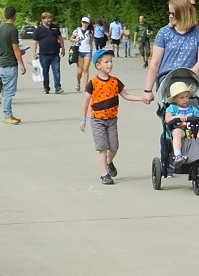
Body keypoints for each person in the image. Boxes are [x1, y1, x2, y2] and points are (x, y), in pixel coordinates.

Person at [80, 49, 145, 184]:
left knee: (114, 147)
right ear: (98, 65)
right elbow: (86, 102)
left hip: (112, 120)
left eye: (111, 62)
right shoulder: (92, 83)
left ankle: (109, 162)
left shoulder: (115, 81)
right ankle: (104, 174)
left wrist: (142, 98)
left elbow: (126, 95)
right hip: (97, 120)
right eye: (106, 62)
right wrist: (82, 120)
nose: (110, 64)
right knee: (102, 147)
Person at [141, 0, 199, 101]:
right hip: (167, 82)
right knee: (171, 115)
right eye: (169, 12)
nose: (170, 16)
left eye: (172, 13)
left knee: (194, 114)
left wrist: (193, 71)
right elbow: (155, 63)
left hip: (189, 83)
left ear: (182, 13)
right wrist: (148, 90)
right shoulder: (164, 32)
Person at [0, 6, 27, 125]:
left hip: (2, 62)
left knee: (6, 90)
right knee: (9, 91)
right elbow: (15, 48)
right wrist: (22, 64)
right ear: (14, 15)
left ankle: (8, 113)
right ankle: (7, 115)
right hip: (10, 63)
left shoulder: (1, 28)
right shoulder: (12, 29)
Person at [33, 12, 66, 94]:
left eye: (50, 18)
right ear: (42, 19)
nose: (49, 20)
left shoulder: (55, 28)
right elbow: (35, 42)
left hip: (55, 53)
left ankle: (58, 87)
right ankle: (46, 87)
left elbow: (60, 38)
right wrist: (34, 52)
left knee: (56, 71)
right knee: (45, 71)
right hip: (44, 54)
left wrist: (63, 48)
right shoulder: (38, 30)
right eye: (47, 18)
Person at [71, 17, 94, 92]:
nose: (85, 24)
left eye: (86, 23)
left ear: (88, 24)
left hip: (87, 51)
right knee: (79, 71)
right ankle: (78, 82)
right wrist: (75, 39)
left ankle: (85, 87)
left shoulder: (90, 32)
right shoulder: (77, 30)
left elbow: (91, 42)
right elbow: (71, 38)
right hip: (79, 51)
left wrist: (91, 52)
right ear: (81, 22)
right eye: (83, 22)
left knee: (86, 68)